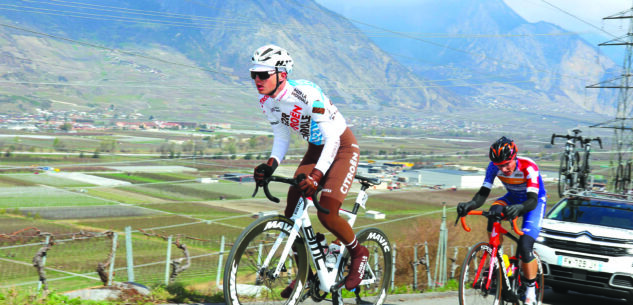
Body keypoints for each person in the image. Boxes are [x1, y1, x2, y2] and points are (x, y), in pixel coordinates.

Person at [250, 44, 367, 294]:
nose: (257, 80)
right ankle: (307, 270)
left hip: (342, 147)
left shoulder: (306, 94)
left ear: (282, 74)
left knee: (327, 213)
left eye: (263, 74)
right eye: (254, 74)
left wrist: (315, 176)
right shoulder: (267, 101)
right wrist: (270, 166)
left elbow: (333, 140)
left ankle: (359, 253)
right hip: (316, 149)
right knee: (292, 212)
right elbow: (281, 138)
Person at [457, 136, 546, 305]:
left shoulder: (529, 167)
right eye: (500, 166)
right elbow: (483, 193)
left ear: (515, 157)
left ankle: (531, 291)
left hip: (533, 203)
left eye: (507, 164)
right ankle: (498, 258)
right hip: (511, 197)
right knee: (493, 212)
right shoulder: (493, 167)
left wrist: (520, 208)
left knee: (525, 245)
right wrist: (469, 205)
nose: (504, 169)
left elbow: (533, 199)